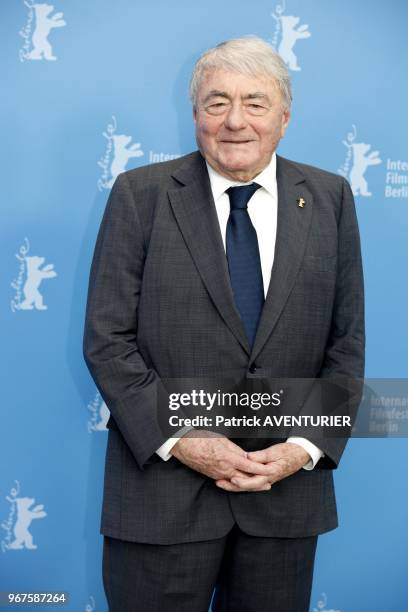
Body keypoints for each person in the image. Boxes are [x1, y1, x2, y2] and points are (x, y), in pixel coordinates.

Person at [83, 36, 364, 612]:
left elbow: (346, 344)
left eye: (255, 103)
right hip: (161, 501)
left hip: (283, 502)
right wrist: (183, 440)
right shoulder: (140, 195)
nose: (235, 121)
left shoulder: (331, 198)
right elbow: (107, 342)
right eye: (217, 103)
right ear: (195, 115)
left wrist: (302, 448)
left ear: (284, 117)